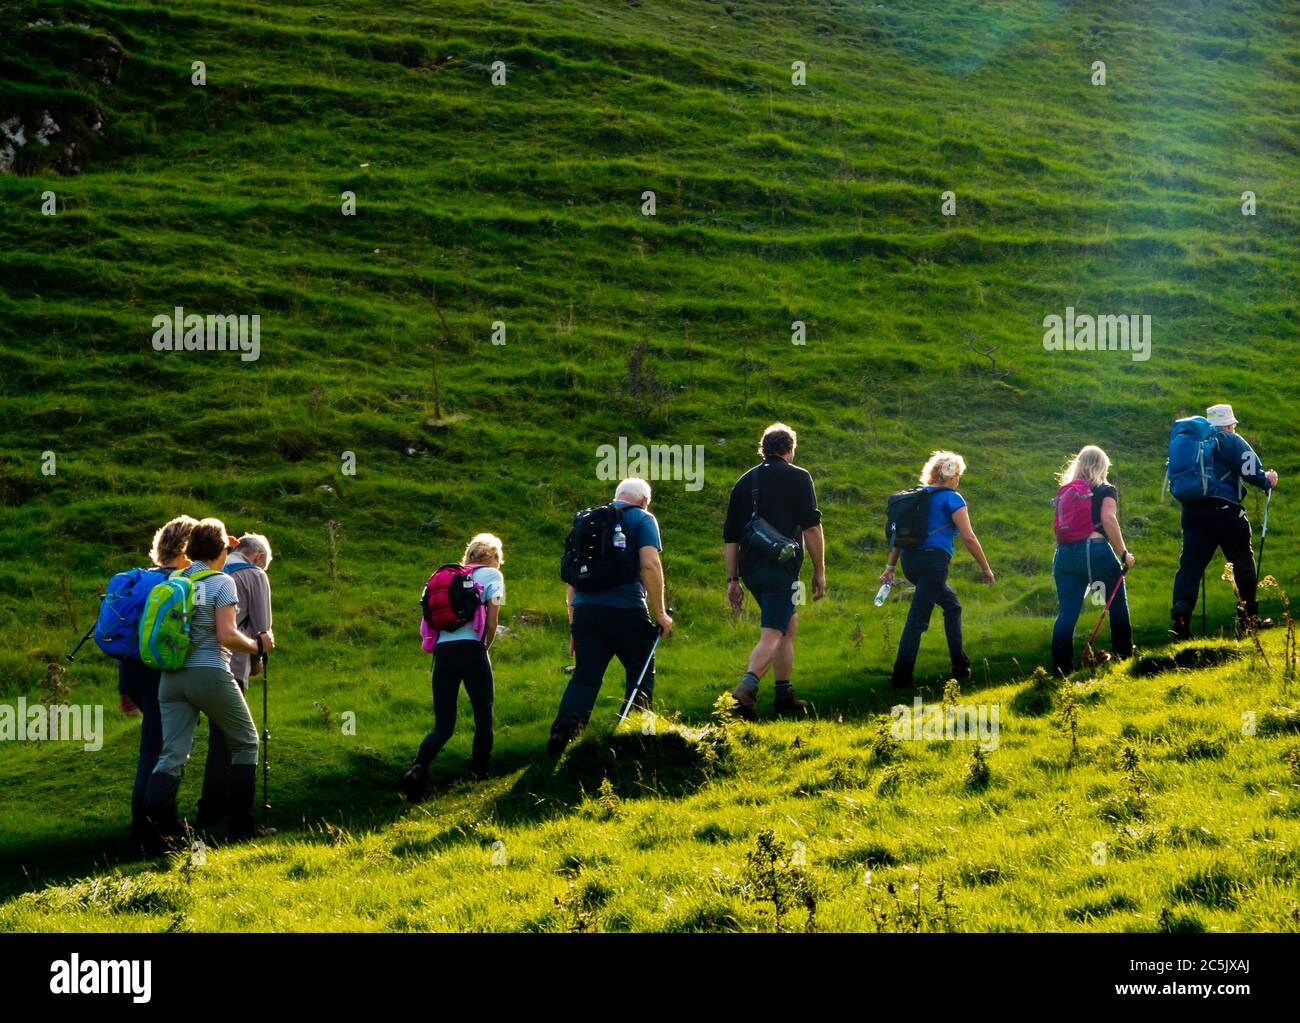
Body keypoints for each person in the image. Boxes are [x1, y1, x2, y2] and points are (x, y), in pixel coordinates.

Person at [141, 518, 275, 850]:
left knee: (172, 754)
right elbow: (227, 635)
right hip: (210, 671)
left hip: (171, 679)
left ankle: (160, 833)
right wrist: (259, 645)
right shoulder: (221, 582)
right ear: (221, 549)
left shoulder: (177, 579)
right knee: (246, 742)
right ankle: (241, 826)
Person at [548, 478, 671, 755]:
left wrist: (573, 625)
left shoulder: (588, 522)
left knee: (585, 677)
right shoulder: (643, 519)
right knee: (640, 670)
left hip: (586, 613)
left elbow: (572, 579)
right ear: (643, 501)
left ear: (617, 496)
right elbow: (650, 564)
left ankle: (563, 733)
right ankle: (633, 732)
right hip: (626, 610)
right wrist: (660, 613)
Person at [723, 423, 825, 720]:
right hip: (781, 567)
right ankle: (745, 690)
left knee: (787, 625)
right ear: (790, 450)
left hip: (752, 569)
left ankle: (784, 694)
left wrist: (733, 580)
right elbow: (811, 527)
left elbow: (730, 536)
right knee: (773, 631)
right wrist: (819, 571)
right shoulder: (798, 476)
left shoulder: (745, 481)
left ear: (763, 449)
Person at [401, 534, 505, 798]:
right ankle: (480, 775)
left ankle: (417, 768)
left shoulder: (442, 577)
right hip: (472, 651)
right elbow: (492, 623)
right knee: (483, 716)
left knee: (443, 725)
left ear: (469, 555)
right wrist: (483, 649)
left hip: (443, 653)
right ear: (494, 558)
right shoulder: (493, 577)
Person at [881, 451, 994, 688]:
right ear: (951, 476)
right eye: (959, 475)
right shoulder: (952, 498)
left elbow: (901, 536)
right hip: (933, 564)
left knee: (952, 605)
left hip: (910, 563)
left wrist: (890, 566)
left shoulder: (916, 497)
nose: (959, 480)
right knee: (918, 619)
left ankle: (960, 664)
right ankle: (901, 678)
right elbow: (969, 537)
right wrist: (986, 568)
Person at [119, 515, 197, 846]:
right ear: (187, 549)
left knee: (153, 750)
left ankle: (154, 824)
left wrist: (124, 688)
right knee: (161, 752)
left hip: (135, 674)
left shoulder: (139, 581)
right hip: (160, 676)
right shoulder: (177, 585)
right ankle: (151, 830)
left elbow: (127, 636)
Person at [1171, 403, 1279, 639]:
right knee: (1242, 560)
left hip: (1192, 511)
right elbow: (1251, 470)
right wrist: (1267, 480)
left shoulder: (1192, 442)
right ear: (1230, 424)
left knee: (1190, 566)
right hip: (1224, 510)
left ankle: (1180, 618)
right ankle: (1249, 619)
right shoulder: (1231, 440)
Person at [196, 533, 274, 832]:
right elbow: (263, 630)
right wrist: (257, 661)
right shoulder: (254, 575)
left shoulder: (210, 572)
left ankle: (208, 813)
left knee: (213, 744)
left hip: (189, 667)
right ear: (258, 557)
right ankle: (239, 820)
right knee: (235, 741)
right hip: (230, 665)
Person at [1050, 446, 1135, 676]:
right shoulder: (1105, 489)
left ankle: (1060, 667)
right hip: (1094, 550)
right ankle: (1124, 654)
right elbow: (1108, 518)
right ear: (1102, 466)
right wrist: (1123, 553)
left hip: (1064, 554)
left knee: (1067, 611)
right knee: (1116, 602)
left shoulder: (1067, 490)